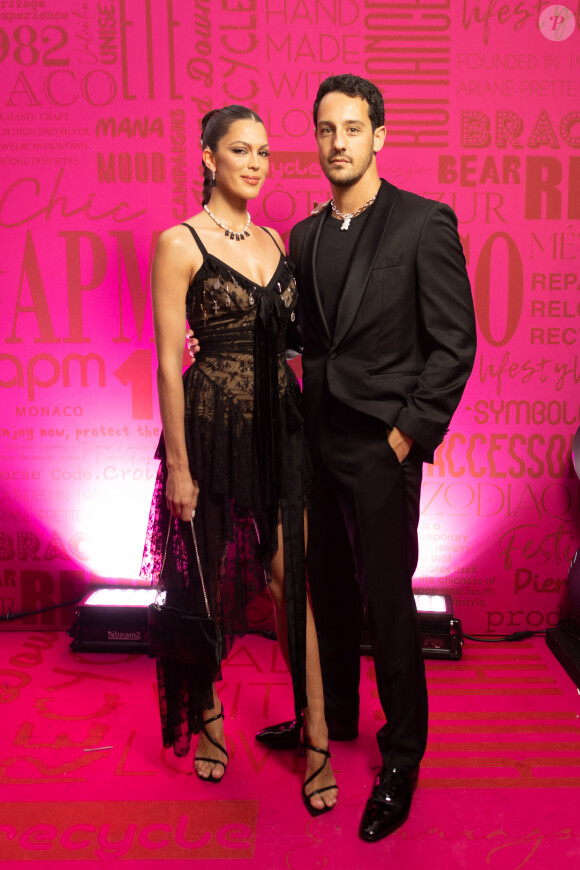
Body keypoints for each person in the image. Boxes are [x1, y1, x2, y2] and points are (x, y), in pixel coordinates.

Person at [255, 74, 477, 842]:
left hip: (382, 448)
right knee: (328, 597)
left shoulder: (423, 224)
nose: (337, 142)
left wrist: (404, 437)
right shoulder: (309, 235)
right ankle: (334, 716)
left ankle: (402, 757)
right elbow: (309, 341)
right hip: (316, 441)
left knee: (388, 609)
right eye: (325, 129)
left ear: (379, 136)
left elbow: (454, 345)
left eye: (352, 128)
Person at [140, 104, 337, 815]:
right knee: (202, 585)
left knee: (292, 583)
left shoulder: (276, 239)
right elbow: (167, 363)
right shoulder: (179, 243)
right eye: (239, 150)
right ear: (207, 158)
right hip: (209, 427)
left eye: (262, 152)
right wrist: (183, 468)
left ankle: (316, 732)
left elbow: (290, 340)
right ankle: (211, 722)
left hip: (277, 431)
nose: (254, 163)